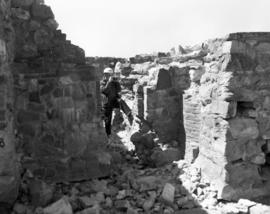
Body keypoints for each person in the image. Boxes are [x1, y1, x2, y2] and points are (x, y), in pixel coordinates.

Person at [101, 67, 121, 139]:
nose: (108, 76)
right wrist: (109, 83)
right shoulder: (103, 82)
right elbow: (104, 91)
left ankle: (129, 115)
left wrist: (117, 83)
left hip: (113, 101)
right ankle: (108, 133)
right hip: (106, 103)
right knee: (108, 119)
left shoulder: (114, 82)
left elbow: (119, 91)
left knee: (123, 103)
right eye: (106, 74)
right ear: (104, 75)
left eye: (109, 74)